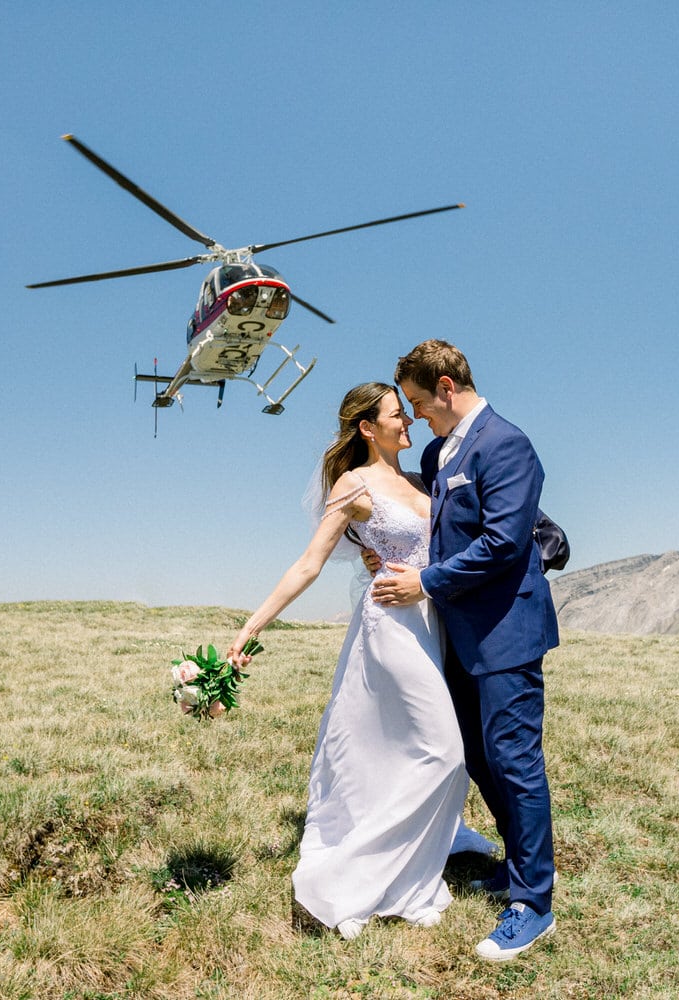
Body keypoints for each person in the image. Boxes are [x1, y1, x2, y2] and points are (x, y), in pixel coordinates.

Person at [226, 383, 468, 941]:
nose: (408, 419)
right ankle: (358, 873)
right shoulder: (353, 484)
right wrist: (253, 624)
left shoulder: (418, 479)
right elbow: (309, 563)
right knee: (444, 753)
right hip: (390, 626)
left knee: (403, 749)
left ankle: (411, 863)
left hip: (434, 625)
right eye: (395, 414)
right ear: (367, 428)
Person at [369, 340, 560, 962]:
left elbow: (504, 544)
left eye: (422, 402)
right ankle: (515, 864)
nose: (418, 414)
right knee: (475, 757)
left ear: (447, 387)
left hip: (506, 633)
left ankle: (533, 903)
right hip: (457, 637)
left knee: (514, 759)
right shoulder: (435, 450)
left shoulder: (507, 444)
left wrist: (423, 582)